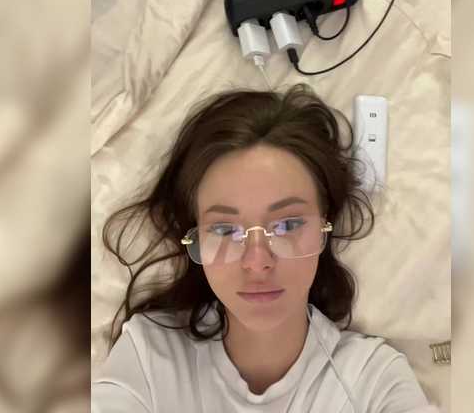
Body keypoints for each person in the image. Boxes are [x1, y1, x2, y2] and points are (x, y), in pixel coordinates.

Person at [92, 84, 436, 412]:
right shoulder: (149, 358)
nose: (257, 262)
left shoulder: (373, 380)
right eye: (225, 229)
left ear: (324, 227)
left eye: (287, 225)